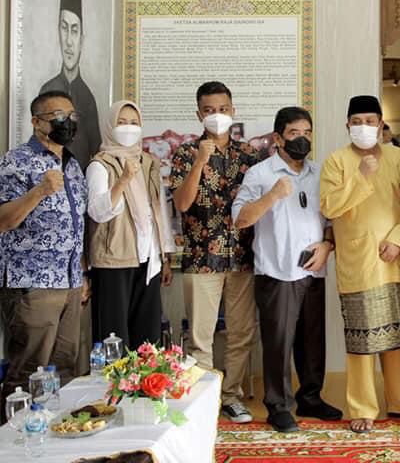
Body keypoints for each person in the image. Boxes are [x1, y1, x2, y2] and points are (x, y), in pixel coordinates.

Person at [233, 107, 342, 433]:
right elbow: (240, 220)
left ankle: (310, 397)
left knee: (312, 341)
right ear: (278, 138)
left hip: (313, 269)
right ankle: (278, 406)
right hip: (277, 272)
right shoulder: (260, 174)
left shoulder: (320, 172)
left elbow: (332, 218)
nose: (302, 139)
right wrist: (273, 195)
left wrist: (327, 245)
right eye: (294, 133)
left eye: (307, 133)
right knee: (279, 343)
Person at [319, 95, 400, 434]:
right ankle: (362, 408)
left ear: (381, 125)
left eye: (370, 121)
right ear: (347, 125)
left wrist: (399, 238)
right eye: (357, 122)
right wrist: (361, 176)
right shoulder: (336, 161)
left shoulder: (398, 157)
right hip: (358, 261)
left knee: (394, 335)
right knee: (362, 339)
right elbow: (329, 206)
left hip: (394, 258)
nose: (363, 127)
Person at [170, 81, 259, 424]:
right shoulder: (185, 153)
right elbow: (182, 204)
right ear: (199, 115)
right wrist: (200, 162)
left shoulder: (249, 154)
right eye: (209, 110)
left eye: (222, 109)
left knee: (241, 333)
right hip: (201, 258)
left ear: (233, 111)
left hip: (243, 257)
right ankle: (204, 401)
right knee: (200, 336)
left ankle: (232, 396)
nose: (217, 116)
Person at [0, 91, 88, 416]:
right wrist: (39, 191)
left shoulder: (73, 164)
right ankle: (12, 439)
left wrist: (82, 274)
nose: (68, 122)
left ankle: (56, 435)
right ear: (37, 122)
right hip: (32, 282)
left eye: (72, 116)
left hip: (70, 282)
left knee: (65, 367)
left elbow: (76, 225)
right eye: (58, 117)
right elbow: (3, 221)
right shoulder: (15, 161)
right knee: (28, 370)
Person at [87, 100, 176, 350]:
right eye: (122, 122)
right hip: (114, 259)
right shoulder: (100, 165)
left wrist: (165, 256)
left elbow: (159, 210)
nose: (129, 128)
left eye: (134, 123)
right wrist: (124, 179)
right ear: (109, 126)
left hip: (148, 258)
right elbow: (98, 212)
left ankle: (144, 376)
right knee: (114, 337)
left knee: (148, 336)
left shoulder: (148, 162)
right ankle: (115, 378)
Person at [39, 0, 101, 168]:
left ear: (81, 39)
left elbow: (97, 151)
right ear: (58, 32)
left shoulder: (88, 97)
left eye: (74, 30)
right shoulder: (47, 90)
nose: (68, 41)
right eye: (64, 28)